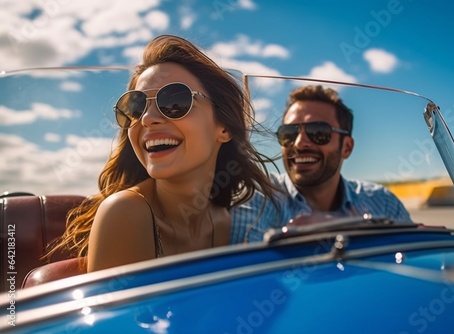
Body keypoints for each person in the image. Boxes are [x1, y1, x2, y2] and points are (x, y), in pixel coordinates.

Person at [45, 35, 278, 272]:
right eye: (135, 107)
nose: (147, 119)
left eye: (175, 101)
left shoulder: (226, 220)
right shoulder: (125, 213)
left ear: (224, 127)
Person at [230, 84, 412, 243]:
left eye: (318, 132)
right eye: (289, 133)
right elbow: (242, 271)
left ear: (346, 147)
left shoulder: (383, 202)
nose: (299, 143)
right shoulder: (259, 195)